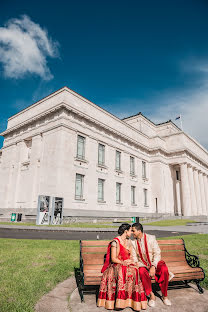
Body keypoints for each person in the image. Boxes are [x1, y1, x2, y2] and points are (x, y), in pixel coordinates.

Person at [97, 223, 147, 311]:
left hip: (125, 264)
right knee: (122, 270)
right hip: (115, 265)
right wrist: (123, 262)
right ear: (125, 231)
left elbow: (130, 256)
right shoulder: (115, 242)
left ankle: (132, 301)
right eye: (130, 230)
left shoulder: (129, 242)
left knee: (135, 270)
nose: (131, 233)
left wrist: (130, 261)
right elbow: (113, 259)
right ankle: (119, 302)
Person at [131, 223, 172, 307]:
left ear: (139, 231)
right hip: (143, 264)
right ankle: (152, 296)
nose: (132, 232)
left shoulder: (151, 238)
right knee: (141, 272)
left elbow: (157, 253)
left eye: (133, 230)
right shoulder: (133, 243)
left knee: (164, 269)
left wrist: (153, 266)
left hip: (154, 262)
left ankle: (165, 296)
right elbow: (134, 257)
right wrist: (142, 265)